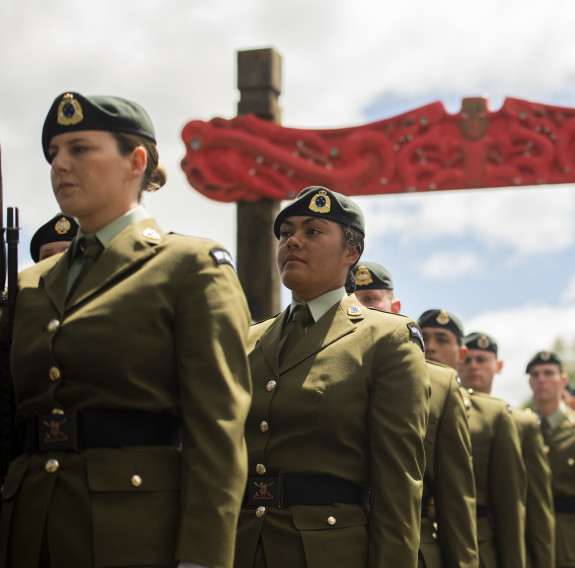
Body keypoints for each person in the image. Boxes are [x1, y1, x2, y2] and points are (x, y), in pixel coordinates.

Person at [0, 91, 252, 568]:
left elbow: (216, 427)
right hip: (29, 530)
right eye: (53, 153)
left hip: (135, 534)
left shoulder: (190, 266)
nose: (59, 165)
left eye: (79, 148)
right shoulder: (27, 284)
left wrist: (203, 557)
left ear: (135, 161)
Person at [234, 186, 430, 568]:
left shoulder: (386, 339)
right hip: (241, 547)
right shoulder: (248, 340)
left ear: (351, 253)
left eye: (313, 231)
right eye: (285, 232)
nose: (292, 241)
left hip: (328, 551)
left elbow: (397, 485)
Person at [354, 262, 478, 568]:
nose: (359, 306)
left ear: (395, 306)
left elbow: (456, 503)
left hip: (412, 547)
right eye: (352, 296)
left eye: (370, 299)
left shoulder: (439, 384)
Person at [417, 310, 527, 568]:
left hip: (475, 549)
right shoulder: (394, 398)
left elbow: (509, 508)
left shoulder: (492, 415)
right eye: (424, 339)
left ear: (460, 354)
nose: (431, 348)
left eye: (442, 340)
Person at [460, 332, 555, 568]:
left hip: (495, 548)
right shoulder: (440, 412)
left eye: (481, 360)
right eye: (467, 359)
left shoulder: (521, 423)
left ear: (498, 365)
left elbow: (537, 508)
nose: (473, 366)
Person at [527, 350, 575, 568]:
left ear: (563, 380)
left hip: (568, 537)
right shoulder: (519, 428)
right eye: (535, 375)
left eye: (548, 373)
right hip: (527, 535)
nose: (541, 380)